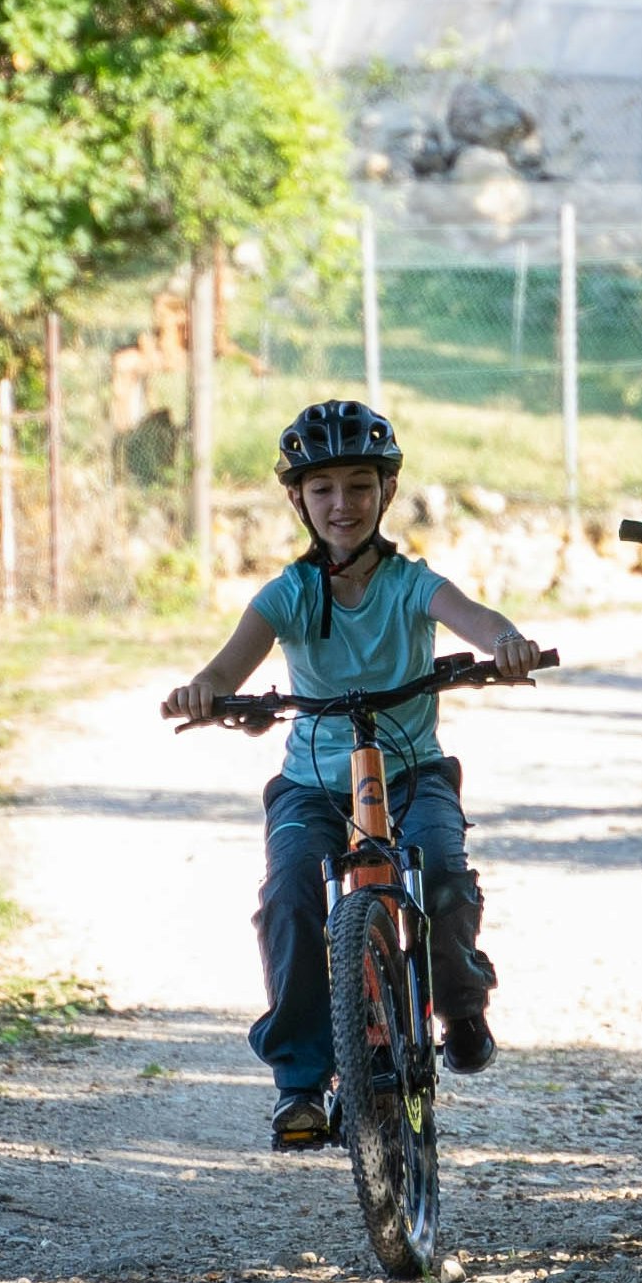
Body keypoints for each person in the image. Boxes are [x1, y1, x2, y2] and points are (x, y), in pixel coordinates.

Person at [165, 401, 548, 1151]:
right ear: (298, 501)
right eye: (323, 489)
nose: (342, 504)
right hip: (312, 785)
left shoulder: (410, 585)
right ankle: (300, 1082)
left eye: (360, 487)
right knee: (288, 896)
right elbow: (226, 664)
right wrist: (203, 690)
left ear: (387, 494)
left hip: (412, 775)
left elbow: (472, 616)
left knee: (440, 875)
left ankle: (461, 1004)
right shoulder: (289, 594)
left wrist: (506, 641)